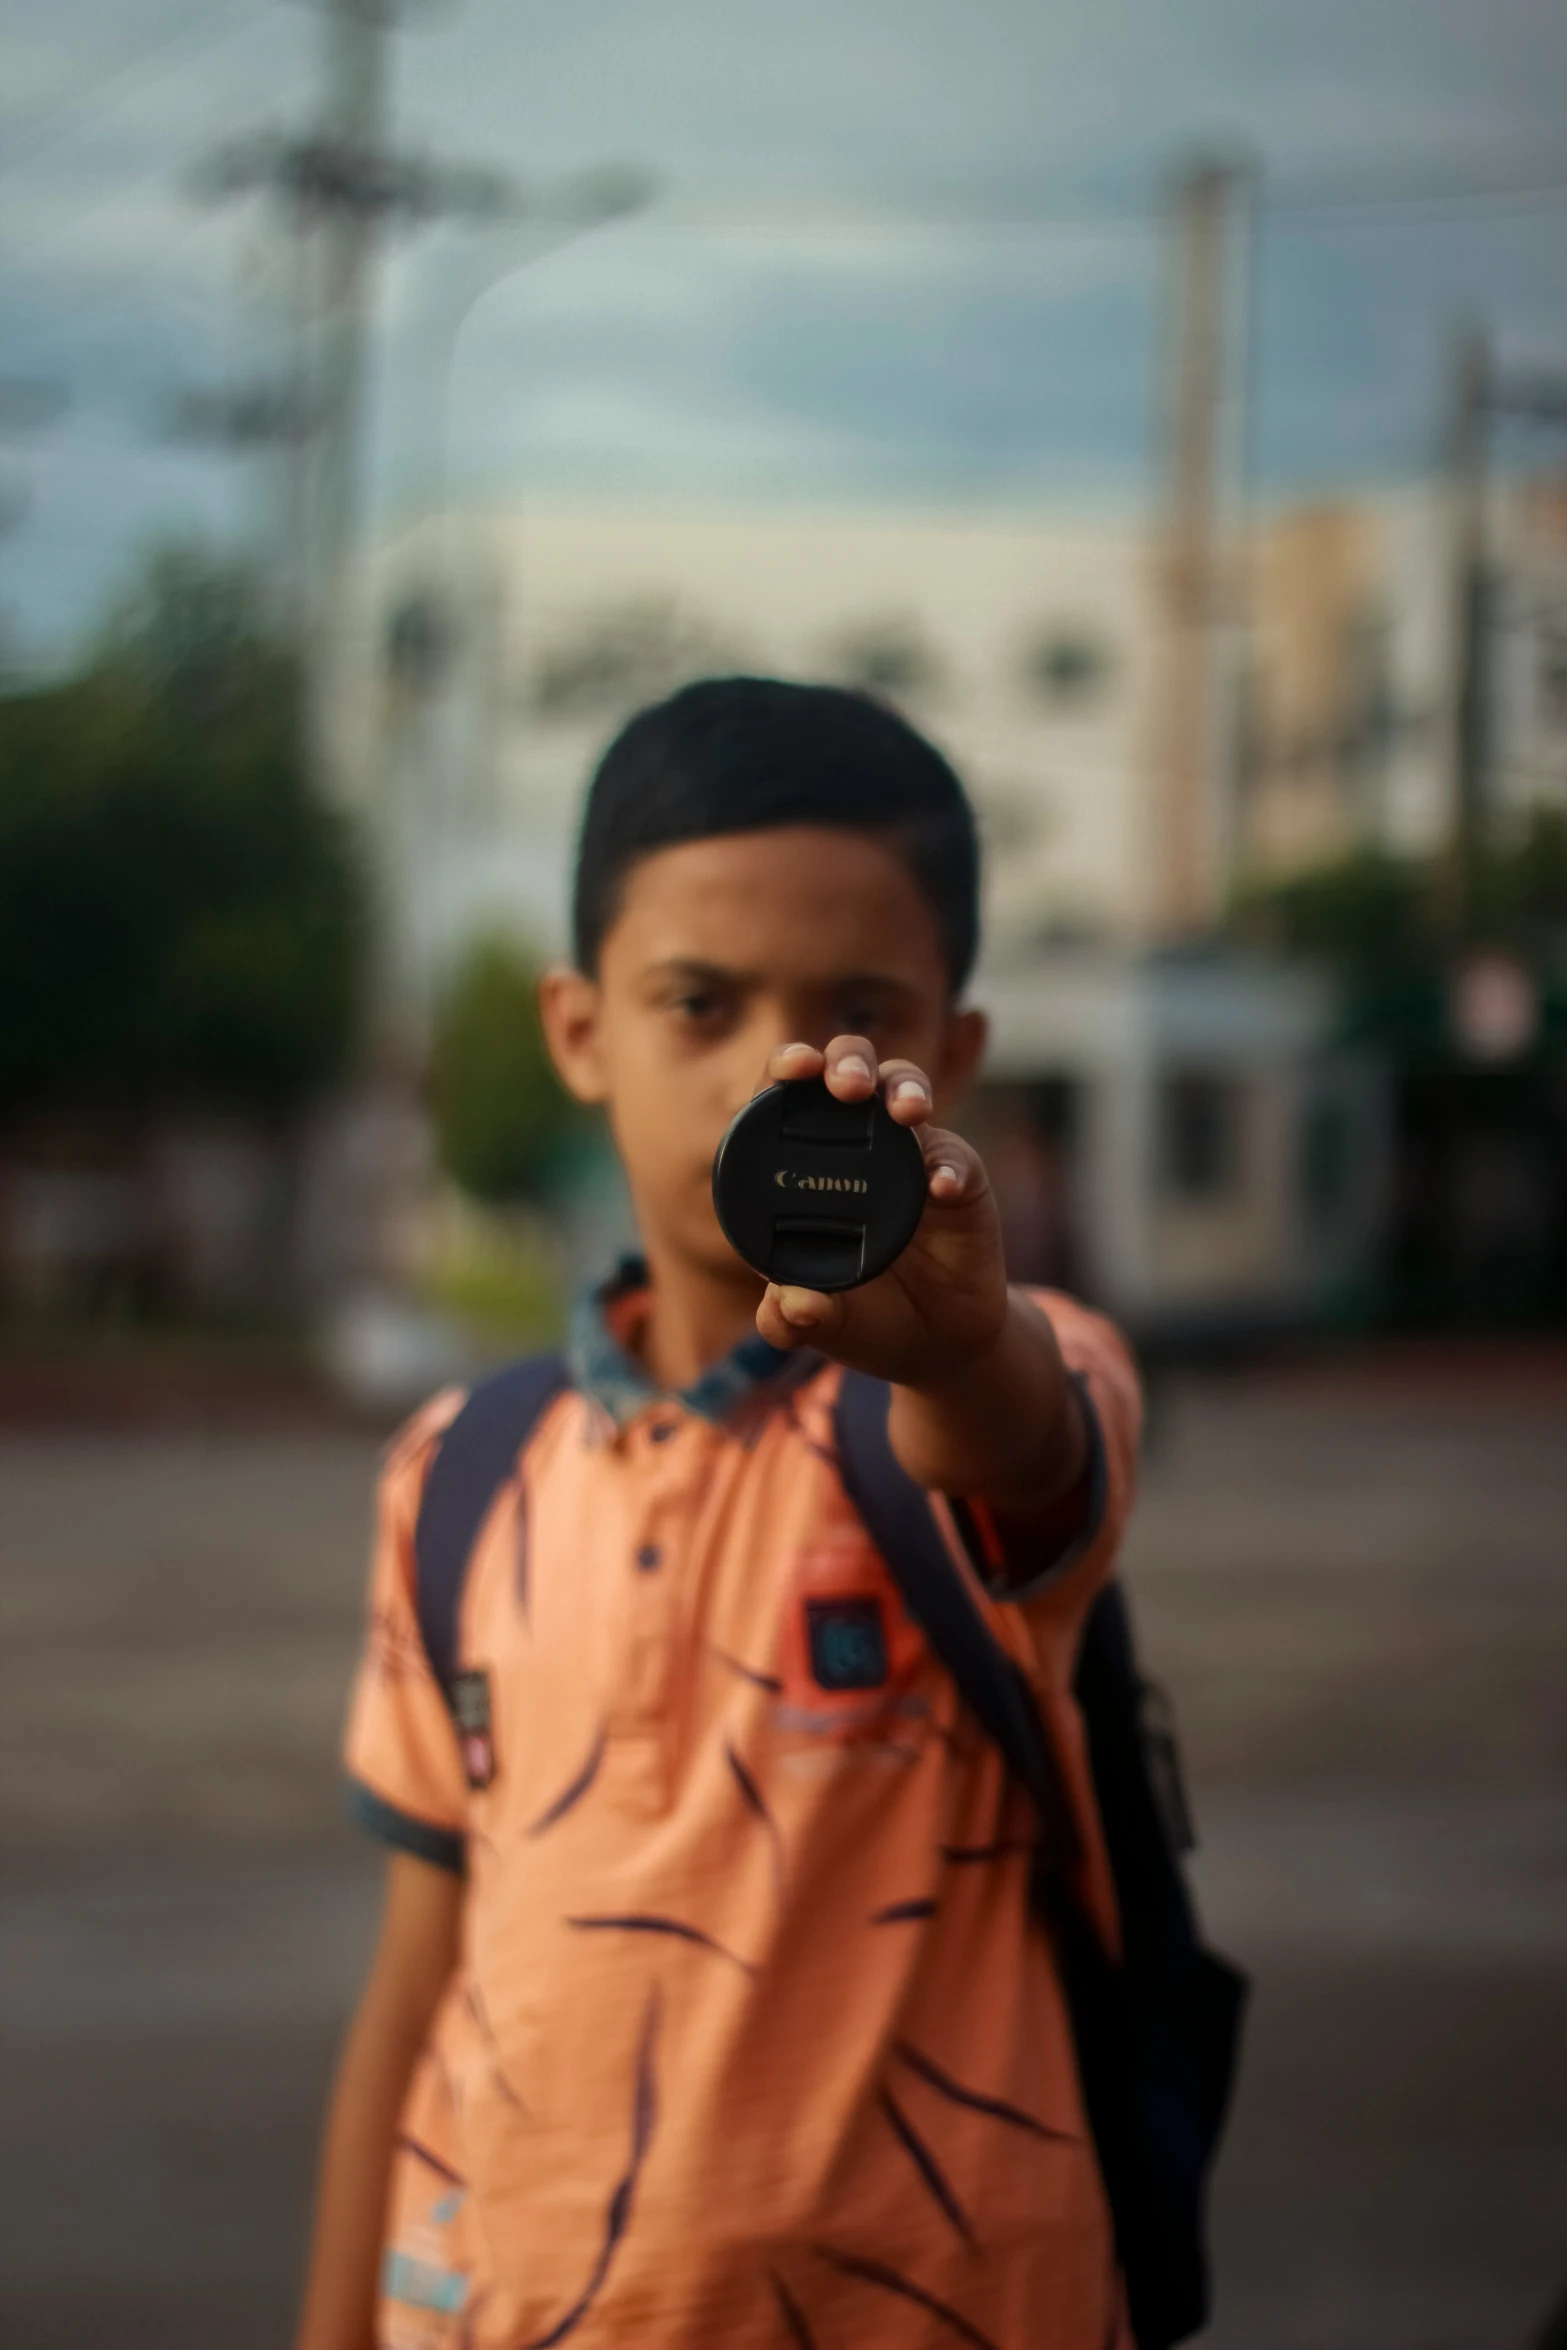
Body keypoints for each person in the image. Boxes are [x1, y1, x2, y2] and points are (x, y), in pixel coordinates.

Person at [294, 677, 1143, 2350]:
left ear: (952, 1057)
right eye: (697, 1001)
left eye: (855, 1014)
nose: (774, 1070)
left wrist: (963, 1340)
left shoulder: (998, 1385)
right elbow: (415, 1985)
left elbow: (1021, 1445)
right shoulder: (457, 1474)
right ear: (580, 1030)